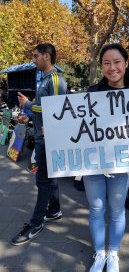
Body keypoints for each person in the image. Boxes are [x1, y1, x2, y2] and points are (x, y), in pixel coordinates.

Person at [11, 43, 67, 246]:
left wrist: (27, 105)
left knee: (43, 180)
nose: (33, 59)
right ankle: (54, 210)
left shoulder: (54, 79)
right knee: (47, 178)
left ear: (46, 56)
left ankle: (36, 224)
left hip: (50, 139)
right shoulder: (45, 79)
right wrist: (29, 117)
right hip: (43, 137)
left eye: (35, 55)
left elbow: (57, 110)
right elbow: (43, 109)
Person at [84, 43, 129, 272]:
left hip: (121, 163)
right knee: (95, 209)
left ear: (125, 64)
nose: (112, 67)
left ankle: (113, 253)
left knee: (117, 209)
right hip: (93, 162)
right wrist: (55, 133)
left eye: (117, 62)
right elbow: (75, 126)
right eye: (106, 63)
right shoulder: (91, 93)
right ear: (101, 66)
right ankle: (99, 254)